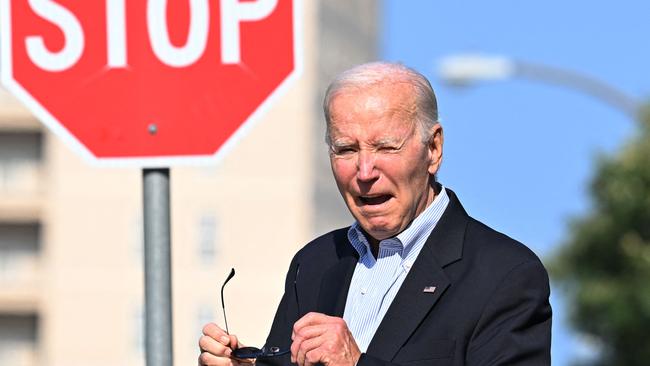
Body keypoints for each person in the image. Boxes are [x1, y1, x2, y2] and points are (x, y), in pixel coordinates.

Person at [198, 62, 552, 366]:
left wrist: (357, 363)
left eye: (385, 147)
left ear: (433, 148)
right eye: (346, 149)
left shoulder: (504, 274)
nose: (365, 171)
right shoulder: (314, 263)